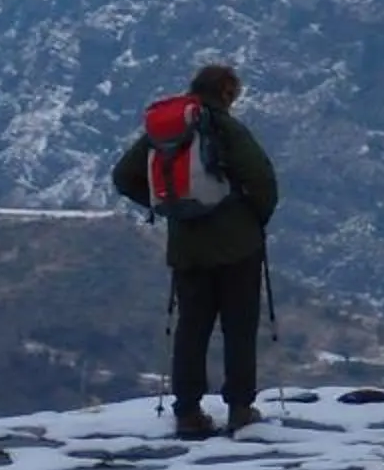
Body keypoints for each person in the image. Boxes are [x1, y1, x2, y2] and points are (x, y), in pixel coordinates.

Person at [112, 61, 279, 439]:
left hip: (187, 246)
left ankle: (187, 411)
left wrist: (164, 206)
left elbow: (124, 176)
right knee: (239, 326)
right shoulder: (225, 127)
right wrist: (254, 217)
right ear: (226, 92)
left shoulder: (167, 132)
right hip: (238, 245)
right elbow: (262, 179)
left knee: (192, 327)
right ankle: (239, 408)